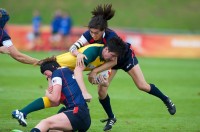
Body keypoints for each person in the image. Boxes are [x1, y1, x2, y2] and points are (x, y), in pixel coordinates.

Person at [68, 4, 176, 131]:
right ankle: (111, 117)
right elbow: (72, 48)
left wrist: (95, 71)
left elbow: (114, 62)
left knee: (142, 85)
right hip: (109, 60)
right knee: (101, 92)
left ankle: (166, 99)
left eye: (96, 33)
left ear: (103, 30)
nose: (92, 35)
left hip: (124, 58)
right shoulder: (89, 34)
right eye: (91, 32)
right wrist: (78, 54)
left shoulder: (111, 37)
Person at [12, 36, 126, 127]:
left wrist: (99, 79)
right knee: (56, 99)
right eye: (112, 55)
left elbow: (100, 80)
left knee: (63, 100)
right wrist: (85, 92)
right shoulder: (92, 52)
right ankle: (22, 113)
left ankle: (26, 114)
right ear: (106, 49)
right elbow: (78, 71)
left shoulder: (107, 59)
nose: (113, 59)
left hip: (64, 72)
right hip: (55, 67)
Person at [29, 60, 90, 131]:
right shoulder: (67, 71)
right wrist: (49, 79)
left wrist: (47, 94)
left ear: (52, 67)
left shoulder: (56, 73)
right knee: (53, 130)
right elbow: (58, 101)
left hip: (76, 113)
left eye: (45, 73)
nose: (46, 76)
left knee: (45, 123)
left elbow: (55, 99)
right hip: (83, 115)